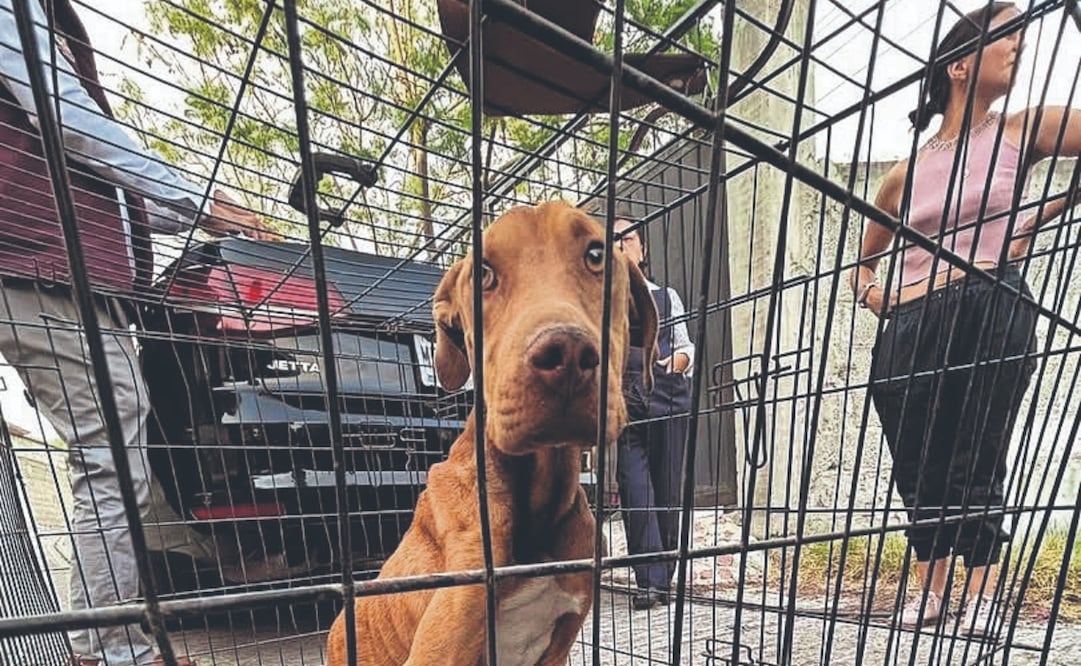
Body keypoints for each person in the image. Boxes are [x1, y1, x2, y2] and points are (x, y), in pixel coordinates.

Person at [0, 1, 270, 664]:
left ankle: (93, 643)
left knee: (105, 457)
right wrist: (197, 197)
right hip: (43, 268)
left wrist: (191, 209)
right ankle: (122, 652)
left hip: (60, 269)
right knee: (110, 458)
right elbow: (64, 117)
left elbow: (105, 184)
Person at [851, 2, 1081, 636]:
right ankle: (932, 587)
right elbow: (860, 265)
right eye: (1005, 34)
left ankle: (980, 592)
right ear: (958, 65)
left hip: (989, 306)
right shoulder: (903, 174)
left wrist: (1042, 213)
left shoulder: (1022, 129)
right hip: (909, 325)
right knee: (917, 463)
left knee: (976, 453)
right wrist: (882, 299)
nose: (1020, 45)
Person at [612, 216, 695, 611]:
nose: (620, 247)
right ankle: (650, 581)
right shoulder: (602, 304)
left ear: (641, 249)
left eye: (626, 238)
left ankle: (664, 576)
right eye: (610, 242)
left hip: (666, 394)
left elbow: (686, 346)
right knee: (634, 487)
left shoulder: (667, 296)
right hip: (626, 402)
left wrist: (672, 367)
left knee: (665, 489)